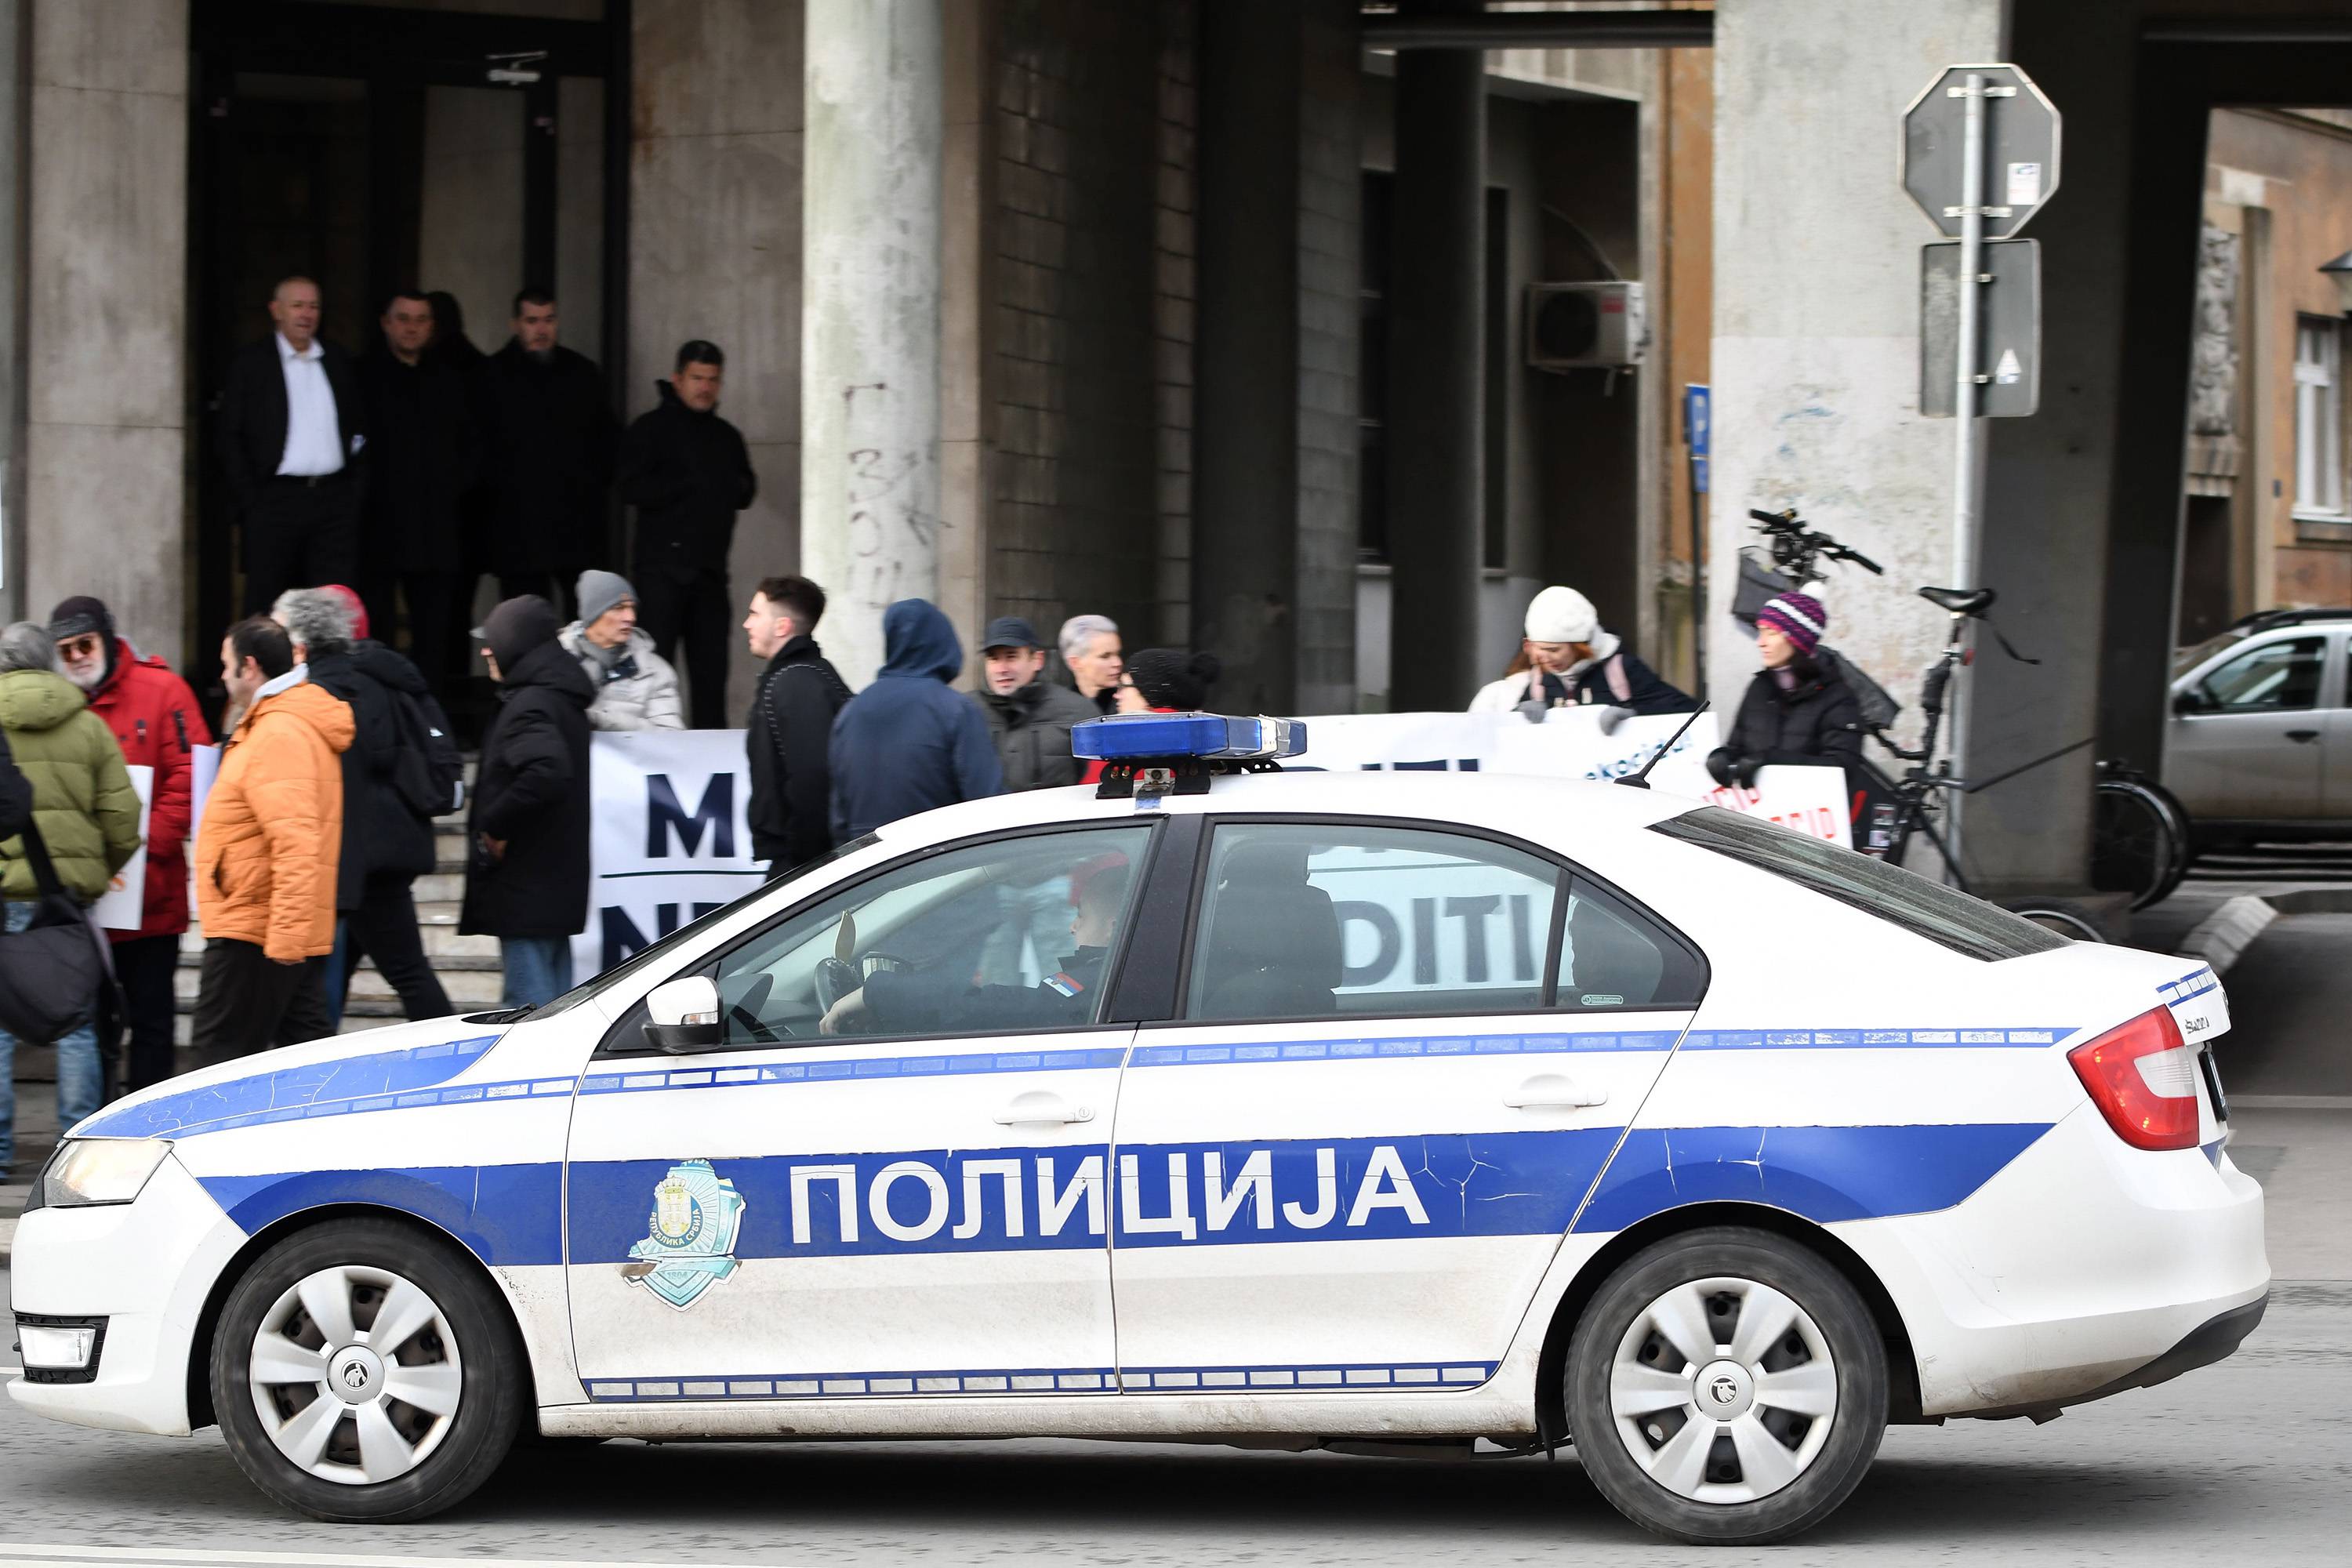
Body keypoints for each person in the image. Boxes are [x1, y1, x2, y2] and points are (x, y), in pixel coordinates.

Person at [49, 595, 214, 1092]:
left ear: (107, 637)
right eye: (66, 649)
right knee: (93, 1025)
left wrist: (147, 844)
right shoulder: (57, 703)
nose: (77, 655)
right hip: (87, 903)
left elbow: (192, 772)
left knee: (151, 1021)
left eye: (85, 643)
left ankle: (149, 1119)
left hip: (151, 897)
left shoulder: (163, 690)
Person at [276, 588, 454, 1028]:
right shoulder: (374, 674)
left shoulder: (340, 685)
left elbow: (370, 757)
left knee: (406, 972)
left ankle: (454, 1052)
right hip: (374, 847)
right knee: (325, 980)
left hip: (367, 854)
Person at [0, 622, 140, 1168]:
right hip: (67, 901)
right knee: (78, 1024)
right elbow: (123, 816)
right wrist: (96, 871)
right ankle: (74, 1151)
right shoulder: (88, 726)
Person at [189, 617, 351, 1060]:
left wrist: (285, 940)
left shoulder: (280, 731)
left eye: (226, 665)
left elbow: (297, 843)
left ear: (249, 666)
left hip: (255, 933)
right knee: (308, 1068)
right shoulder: (276, 722)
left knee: (211, 1072)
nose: (221, 676)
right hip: (265, 928)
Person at [460, 596, 594, 1010]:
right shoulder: (555, 698)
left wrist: (494, 828)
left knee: (530, 1014)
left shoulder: (531, 703)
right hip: (549, 884)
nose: (485, 651)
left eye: (494, 641)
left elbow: (545, 772)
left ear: (516, 645)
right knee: (555, 1008)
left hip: (526, 885)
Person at [821, 864, 1131, 1037]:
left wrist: (877, 992)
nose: (1072, 927)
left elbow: (999, 1009)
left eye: (1082, 914)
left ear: (1114, 927)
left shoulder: (1100, 984)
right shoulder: (1116, 976)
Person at [620, 340, 757, 729]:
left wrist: (719, 485)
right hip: (660, 572)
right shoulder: (650, 430)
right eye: (697, 378)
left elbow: (746, 490)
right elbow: (628, 488)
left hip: (710, 575)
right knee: (653, 675)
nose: (705, 387)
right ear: (678, 379)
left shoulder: (726, 437)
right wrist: (686, 484)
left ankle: (709, 760)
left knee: (711, 679)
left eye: (713, 380)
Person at [216, 276, 367, 614]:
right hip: (274, 501)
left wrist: (353, 491)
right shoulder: (252, 363)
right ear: (276, 311)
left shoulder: (337, 360)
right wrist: (251, 500)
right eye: (298, 305)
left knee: (331, 604)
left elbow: (360, 428)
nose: (307, 314)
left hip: (333, 501)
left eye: (314, 306)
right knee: (269, 602)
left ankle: (328, 668)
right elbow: (231, 436)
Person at [359, 288, 479, 697]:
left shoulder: (450, 381)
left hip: (437, 530)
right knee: (378, 633)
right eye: (403, 318)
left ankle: (430, 726)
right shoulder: (364, 380)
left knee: (435, 637)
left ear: (432, 327)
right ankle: (383, 719)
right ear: (386, 323)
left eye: (421, 320)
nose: (412, 328)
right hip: (380, 530)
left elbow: (471, 448)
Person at [481, 288, 615, 612]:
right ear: (516, 324)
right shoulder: (491, 375)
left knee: (584, 624)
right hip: (517, 528)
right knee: (524, 626)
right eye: (532, 321)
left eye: (549, 320)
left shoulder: (581, 372)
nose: (541, 329)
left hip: (575, 525)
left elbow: (606, 440)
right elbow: (480, 451)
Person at [829, 599, 1004, 842]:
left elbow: (839, 818)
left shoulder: (850, 713)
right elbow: (989, 807)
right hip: (938, 865)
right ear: (944, 643)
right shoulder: (955, 710)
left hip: (868, 867)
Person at [744, 576, 850, 878]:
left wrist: (805, 868)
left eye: (755, 614)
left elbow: (811, 781)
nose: (746, 625)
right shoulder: (800, 676)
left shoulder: (796, 683)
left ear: (782, 626)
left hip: (802, 865)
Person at [1468, 585, 1694, 726]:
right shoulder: (1539, 680)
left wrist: (1635, 716)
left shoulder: (1622, 669)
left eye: (1553, 650)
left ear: (1580, 646)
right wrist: (1519, 714)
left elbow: (1688, 712)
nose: (1542, 658)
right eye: (1535, 648)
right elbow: (1503, 736)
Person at [1707, 591, 1864, 788]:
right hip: (1757, 813)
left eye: (1771, 633)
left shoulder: (1837, 697)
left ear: (1797, 639)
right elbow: (1737, 747)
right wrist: (1722, 758)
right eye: (1760, 632)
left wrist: (1772, 762)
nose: (1761, 642)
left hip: (1808, 814)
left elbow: (1842, 768)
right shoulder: (1759, 688)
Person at [974, 616, 1098, 791]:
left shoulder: (1077, 712)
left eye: (1011, 656)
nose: (1001, 669)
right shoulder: (966, 712)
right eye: (994, 659)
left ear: (1037, 660)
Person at [561, 570, 684, 731]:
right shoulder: (555, 661)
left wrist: (603, 721)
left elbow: (670, 737)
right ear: (593, 614)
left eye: (632, 608)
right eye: (619, 608)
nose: (630, 617)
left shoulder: (656, 671)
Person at [1117, 648, 1221, 713]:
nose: (1117, 695)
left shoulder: (1139, 739)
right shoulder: (1197, 736)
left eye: (1123, 686)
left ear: (1150, 694)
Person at [1058, 614, 1123, 715]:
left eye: (1117, 654)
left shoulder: (1129, 705)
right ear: (1075, 662)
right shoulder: (1057, 711)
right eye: (1105, 656)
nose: (1118, 663)